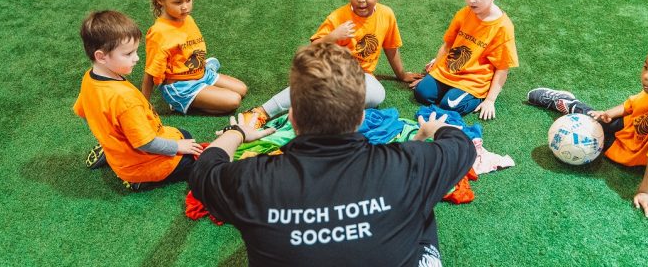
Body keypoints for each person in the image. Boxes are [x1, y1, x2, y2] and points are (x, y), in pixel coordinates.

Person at [189, 42, 476, 266]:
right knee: (422, 207)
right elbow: (461, 145)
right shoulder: (409, 164)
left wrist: (237, 133)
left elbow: (206, 167)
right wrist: (433, 131)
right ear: (362, 118)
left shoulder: (252, 179)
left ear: (292, 117)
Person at [527, 38, 648, 219]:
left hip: (637, 151)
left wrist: (644, 192)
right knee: (594, 117)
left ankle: (573, 105)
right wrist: (609, 113)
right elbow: (632, 104)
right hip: (630, 127)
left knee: (590, 138)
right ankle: (566, 102)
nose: (646, 76)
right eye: (645, 67)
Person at [243, 0, 421, 127]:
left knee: (377, 95)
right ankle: (261, 111)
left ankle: (322, 105)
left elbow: (391, 48)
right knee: (312, 84)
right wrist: (334, 36)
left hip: (360, 74)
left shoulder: (387, 14)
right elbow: (310, 51)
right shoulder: (337, 17)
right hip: (331, 70)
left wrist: (402, 74)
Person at [74, 11, 203, 191]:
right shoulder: (124, 98)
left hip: (122, 154)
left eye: (135, 51)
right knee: (194, 158)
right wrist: (176, 146)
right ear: (101, 56)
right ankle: (138, 181)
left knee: (184, 135)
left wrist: (109, 138)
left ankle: (111, 153)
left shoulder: (89, 78)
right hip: (141, 164)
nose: (136, 58)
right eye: (127, 54)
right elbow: (146, 143)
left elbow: (84, 112)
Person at [411, 0, 518, 120]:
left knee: (449, 105)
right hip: (450, 69)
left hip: (474, 80)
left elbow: (502, 68)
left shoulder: (503, 27)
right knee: (421, 93)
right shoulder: (463, 14)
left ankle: (474, 95)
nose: (471, 0)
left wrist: (490, 100)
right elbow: (447, 45)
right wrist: (434, 69)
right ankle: (449, 89)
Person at [142, 0, 248, 115]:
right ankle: (179, 102)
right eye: (178, 2)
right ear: (160, 0)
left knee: (242, 89)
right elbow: (150, 73)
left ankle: (203, 86)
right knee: (234, 101)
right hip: (181, 86)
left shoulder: (188, 19)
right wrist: (144, 105)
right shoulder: (159, 32)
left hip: (202, 73)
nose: (185, 6)